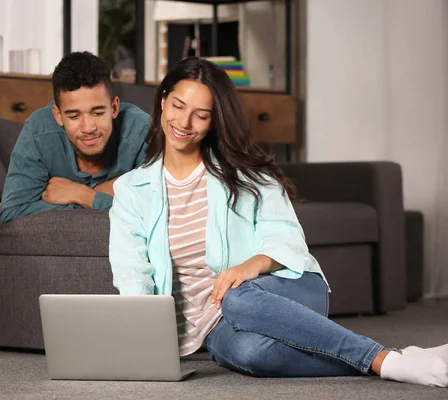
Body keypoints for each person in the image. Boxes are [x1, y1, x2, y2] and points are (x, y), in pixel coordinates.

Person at [108, 57, 448, 386]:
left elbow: (287, 239)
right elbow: (133, 271)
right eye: (179, 106)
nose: (184, 123)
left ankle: (384, 362)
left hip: (288, 288)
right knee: (249, 354)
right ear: (164, 101)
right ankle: (393, 358)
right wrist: (146, 342)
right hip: (211, 328)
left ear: (214, 121)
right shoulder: (132, 190)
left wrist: (250, 266)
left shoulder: (246, 176)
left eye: (201, 115)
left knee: (236, 297)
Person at [0, 51, 150, 222]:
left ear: (114, 108)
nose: (88, 128)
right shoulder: (39, 130)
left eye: (98, 113)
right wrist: (106, 194)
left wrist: (83, 195)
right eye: (74, 116)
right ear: (58, 115)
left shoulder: (139, 130)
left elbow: (157, 209)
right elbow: (12, 212)